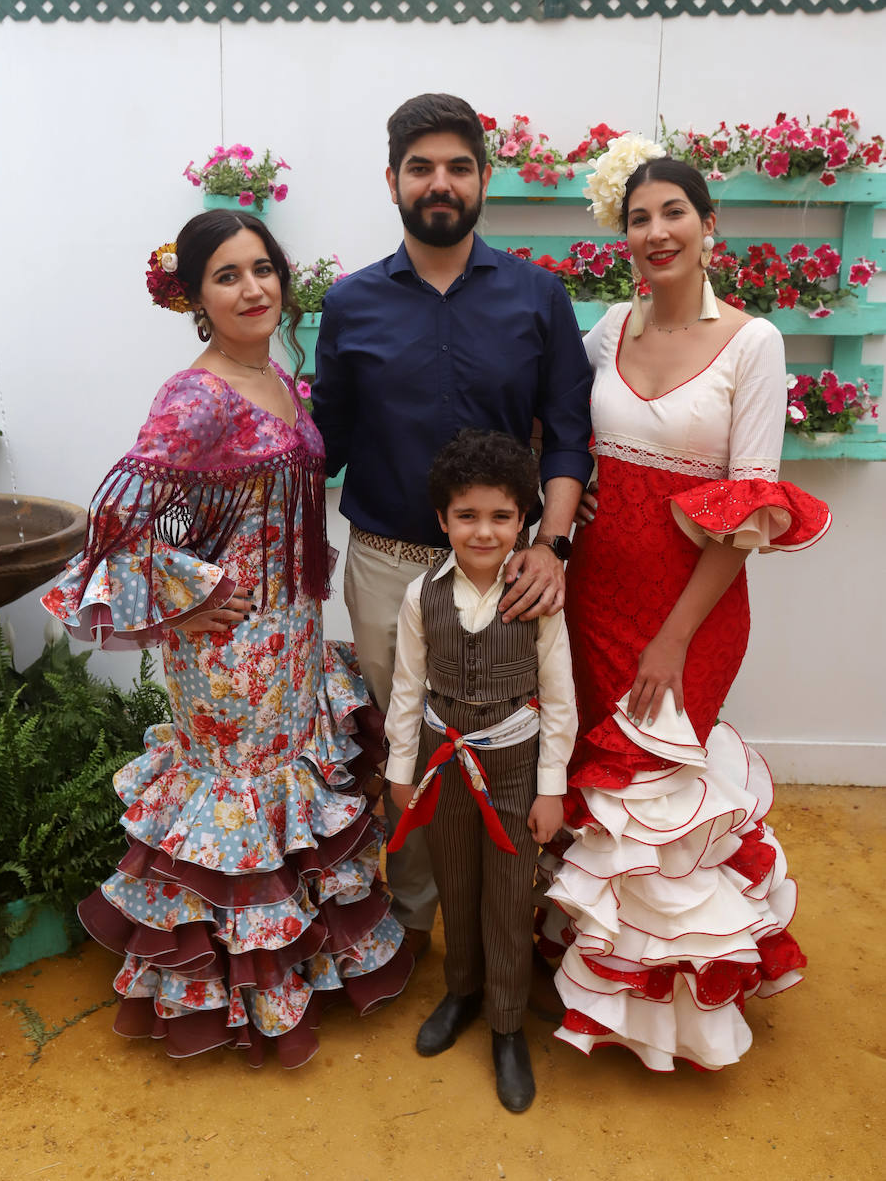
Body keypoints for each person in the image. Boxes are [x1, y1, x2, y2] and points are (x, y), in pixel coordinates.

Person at [42, 210, 412, 1068]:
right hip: (226, 654)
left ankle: (298, 970)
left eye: (263, 269)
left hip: (290, 637)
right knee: (240, 806)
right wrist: (182, 602)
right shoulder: (197, 394)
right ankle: (235, 998)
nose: (253, 289)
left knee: (283, 800)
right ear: (197, 297)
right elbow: (114, 515)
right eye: (228, 276)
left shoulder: (277, 374)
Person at [540, 138, 830, 1072]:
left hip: (688, 615)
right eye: (638, 217)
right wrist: (570, 488)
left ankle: (680, 1014)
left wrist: (671, 638)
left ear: (710, 227)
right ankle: (603, 980)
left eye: (675, 213)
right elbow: (569, 439)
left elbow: (749, 508)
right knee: (597, 789)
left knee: (658, 795)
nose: (656, 231)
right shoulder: (606, 330)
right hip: (590, 599)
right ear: (621, 235)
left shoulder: (754, 342)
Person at [312, 93, 593, 957]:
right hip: (388, 565)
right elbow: (320, 446)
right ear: (393, 180)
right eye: (422, 167)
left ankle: (508, 920)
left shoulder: (538, 298)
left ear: (483, 179)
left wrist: (551, 546)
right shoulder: (351, 304)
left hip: (505, 570)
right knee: (412, 745)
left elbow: (571, 437)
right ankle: (419, 919)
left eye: (458, 167)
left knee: (509, 746)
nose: (441, 183)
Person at [383, 430, 578, 1111]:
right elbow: (408, 688)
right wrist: (400, 771)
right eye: (467, 516)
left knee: (505, 896)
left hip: (514, 768)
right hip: (442, 768)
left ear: (523, 518)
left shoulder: (538, 597)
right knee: (455, 884)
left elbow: (559, 699)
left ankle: (506, 1025)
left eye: (501, 516)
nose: (484, 531)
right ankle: (462, 993)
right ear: (442, 520)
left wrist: (550, 789)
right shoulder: (421, 595)